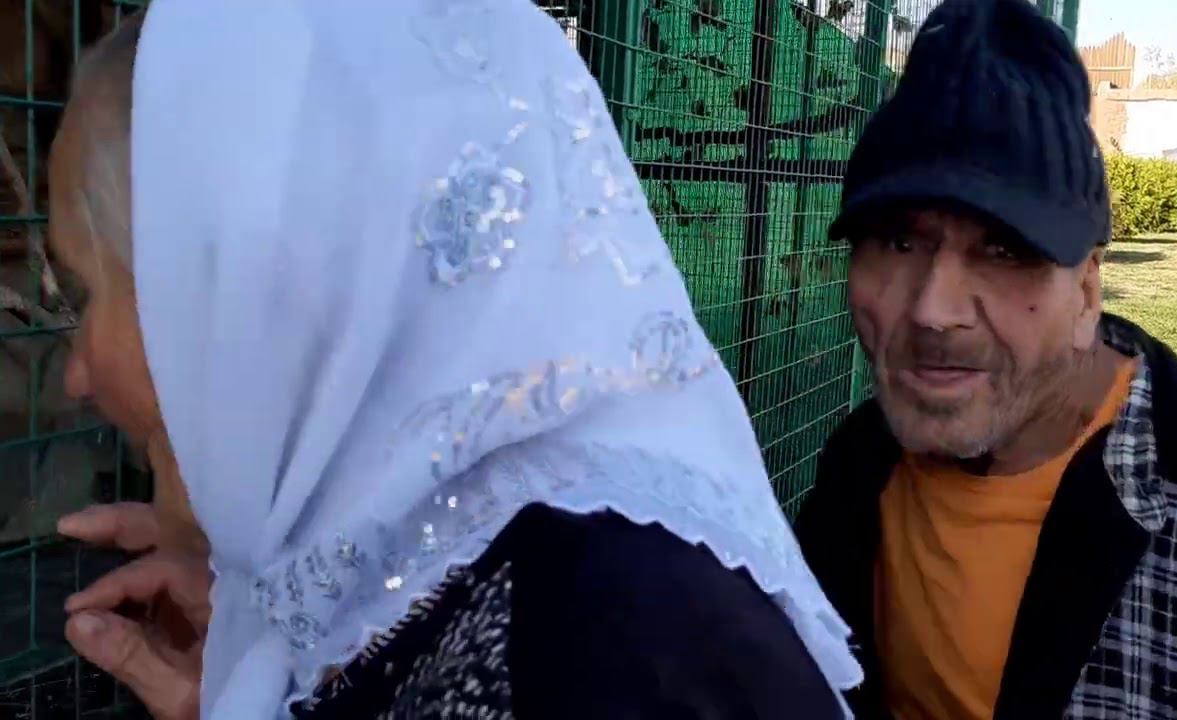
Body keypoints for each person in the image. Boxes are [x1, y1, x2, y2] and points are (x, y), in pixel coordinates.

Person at [48, 1, 864, 718]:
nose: (76, 374)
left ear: (256, 294)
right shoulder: (457, 583)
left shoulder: (609, 651)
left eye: (86, 293)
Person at [794, 0, 1177, 718]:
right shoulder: (858, 466)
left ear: (1086, 293)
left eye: (1004, 250)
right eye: (898, 241)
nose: (933, 310)